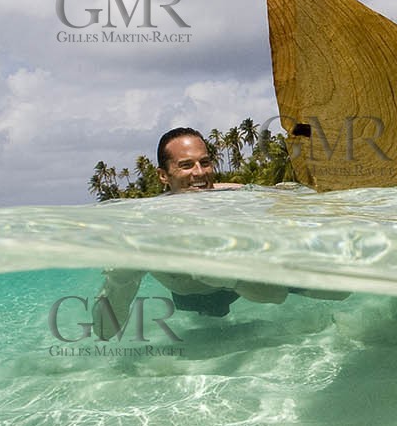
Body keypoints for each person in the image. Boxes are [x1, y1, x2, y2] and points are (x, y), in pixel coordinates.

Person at [95, 127, 342, 338]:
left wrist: (228, 277)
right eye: (186, 165)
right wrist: (119, 280)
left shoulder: (239, 196)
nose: (200, 173)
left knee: (338, 292)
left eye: (205, 162)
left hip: (241, 280)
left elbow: (275, 295)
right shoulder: (145, 228)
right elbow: (104, 332)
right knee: (210, 331)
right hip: (195, 298)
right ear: (163, 175)